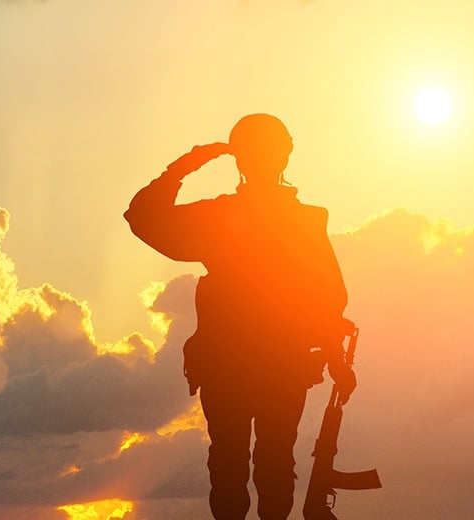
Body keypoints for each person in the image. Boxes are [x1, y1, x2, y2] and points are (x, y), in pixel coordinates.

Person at [123, 113, 356, 520]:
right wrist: (335, 358)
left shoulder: (223, 218)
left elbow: (142, 216)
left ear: (239, 159)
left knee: (240, 465)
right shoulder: (298, 221)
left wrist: (186, 165)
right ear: (285, 156)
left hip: (245, 364)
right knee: (268, 466)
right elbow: (329, 298)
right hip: (267, 364)